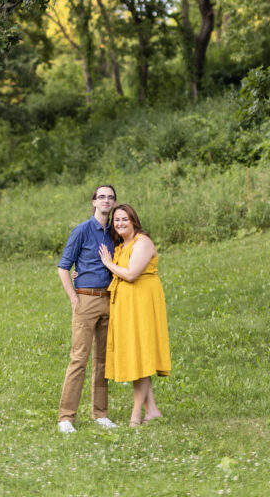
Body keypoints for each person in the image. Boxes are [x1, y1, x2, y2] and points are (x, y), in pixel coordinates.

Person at [98, 203, 171, 426]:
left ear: (133, 221)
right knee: (137, 354)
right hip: (126, 305)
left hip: (142, 303)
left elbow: (131, 275)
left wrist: (108, 264)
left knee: (141, 356)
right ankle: (152, 410)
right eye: (117, 220)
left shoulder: (143, 242)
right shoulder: (121, 246)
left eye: (124, 219)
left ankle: (136, 415)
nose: (120, 223)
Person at [56, 184, 118, 433]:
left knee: (103, 360)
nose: (105, 201)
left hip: (109, 299)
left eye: (110, 198)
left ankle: (100, 413)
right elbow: (63, 267)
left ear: (113, 203)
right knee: (79, 359)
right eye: (101, 197)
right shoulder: (81, 230)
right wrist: (74, 299)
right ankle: (66, 417)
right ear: (94, 202)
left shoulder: (114, 233)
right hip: (85, 299)